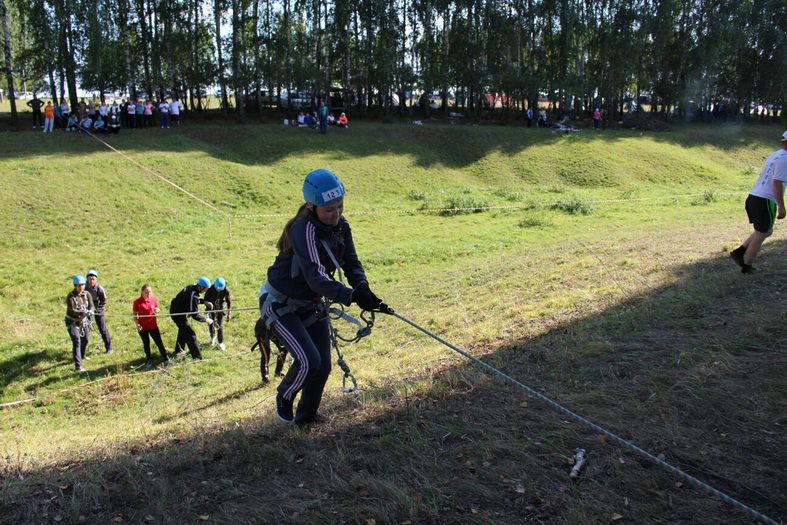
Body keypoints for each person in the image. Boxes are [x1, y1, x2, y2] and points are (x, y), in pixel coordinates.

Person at [260, 169, 386, 424]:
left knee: (323, 365)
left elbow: (351, 262)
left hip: (311, 303)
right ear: (311, 205)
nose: (336, 214)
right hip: (280, 304)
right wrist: (351, 296)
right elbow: (315, 276)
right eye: (329, 209)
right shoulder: (303, 228)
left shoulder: (342, 227)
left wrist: (362, 287)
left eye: (340, 206)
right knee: (308, 361)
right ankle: (285, 395)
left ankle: (306, 418)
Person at [730, 131, 787, 273]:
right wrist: (781, 205)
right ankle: (746, 265)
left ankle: (740, 252)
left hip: (755, 196)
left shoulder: (776, 154)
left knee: (765, 231)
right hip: (765, 199)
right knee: (763, 232)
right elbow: (777, 183)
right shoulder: (785, 159)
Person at [170, 277, 213, 359]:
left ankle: (178, 350)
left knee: (183, 330)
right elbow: (194, 315)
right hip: (177, 314)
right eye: (205, 289)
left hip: (177, 310)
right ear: (201, 287)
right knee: (190, 334)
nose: (206, 291)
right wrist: (206, 320)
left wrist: (204, 302)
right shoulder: (193, 294)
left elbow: (192, 300)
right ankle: (198, 357)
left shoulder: (192, 288)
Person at [132, 284, 169, 368]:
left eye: (150, 292)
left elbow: (157, 308)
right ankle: (149, 360)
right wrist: (137, 325)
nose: (148, 294)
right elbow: (134, 315)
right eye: (146, 292)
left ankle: (166, 357)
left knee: (159, 342)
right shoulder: (137, 302)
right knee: (146, 344)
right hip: (143, 327)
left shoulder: (153, 299)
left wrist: (157, 310)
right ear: (142, 292)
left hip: (153, 326)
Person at [65, 275, 95, 372]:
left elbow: (91, 305)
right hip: (72, 322)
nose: (81, 287)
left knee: (85, 339)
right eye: (78, 285)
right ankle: (78, 366)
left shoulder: (87, 294)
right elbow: (72, 310)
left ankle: (82, 355)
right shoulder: (70, 296)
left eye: (82, 285)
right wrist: (83, 312)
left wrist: (90, 311)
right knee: (76, 341)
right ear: (75, 286)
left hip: (83, 322)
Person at [85, 269, 113, 354]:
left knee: (102, 328)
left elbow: (104, 301)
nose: (91, 281)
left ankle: (109, 348)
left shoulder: (100, 289)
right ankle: (83, 350)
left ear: (96, 279)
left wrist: (98, 310)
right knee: (85, 330)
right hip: (87, 310)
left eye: (93, 279)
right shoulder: (84, 288)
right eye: (90, 279)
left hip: (98, 310)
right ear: (87, 279)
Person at [204, 277, 232, 351]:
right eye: (217, 289)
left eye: (220, 289)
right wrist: (208, 304)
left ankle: (220, 343)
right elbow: (205, 300)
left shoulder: (226, 290)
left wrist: (229, 313)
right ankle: (212, 338)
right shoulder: (210, 289)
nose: (219, 290)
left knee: (220, 326)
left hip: (220, 309)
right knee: (211, 324)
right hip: (210, 309)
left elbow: (229, 302)